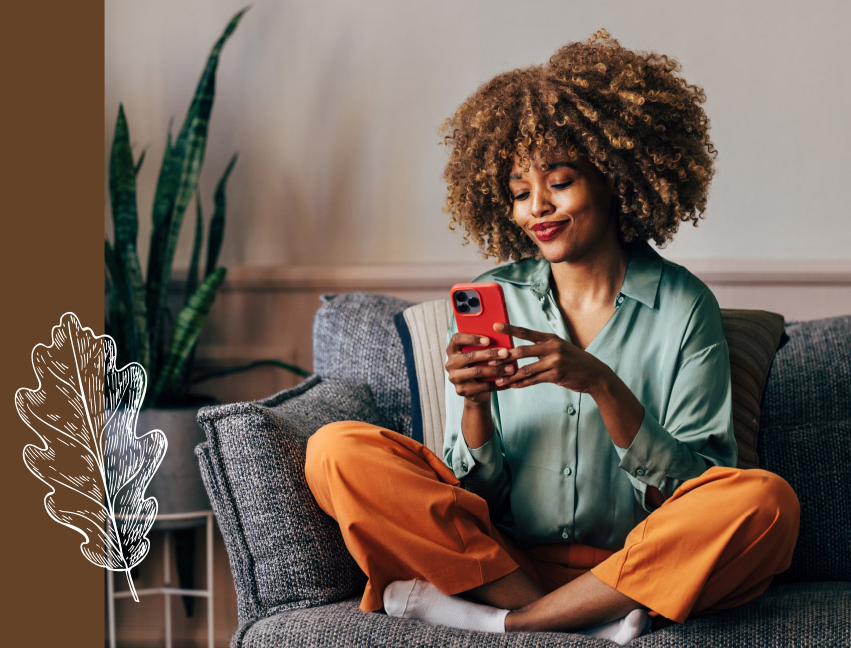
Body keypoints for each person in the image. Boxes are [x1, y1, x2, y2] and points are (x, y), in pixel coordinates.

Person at [304, 29, 799, 645]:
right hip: (504, 562)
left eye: (559, 183)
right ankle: (577, 623)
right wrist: (475, 406)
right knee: (335, 450)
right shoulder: (495, 297)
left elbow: (697, 490)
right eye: (519, 193)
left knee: (766, 503)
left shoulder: (683, 306)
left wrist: (599, 382)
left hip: (635, 566)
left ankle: (516, 625)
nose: (536, 207)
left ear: (614, 178)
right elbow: (472, 498)